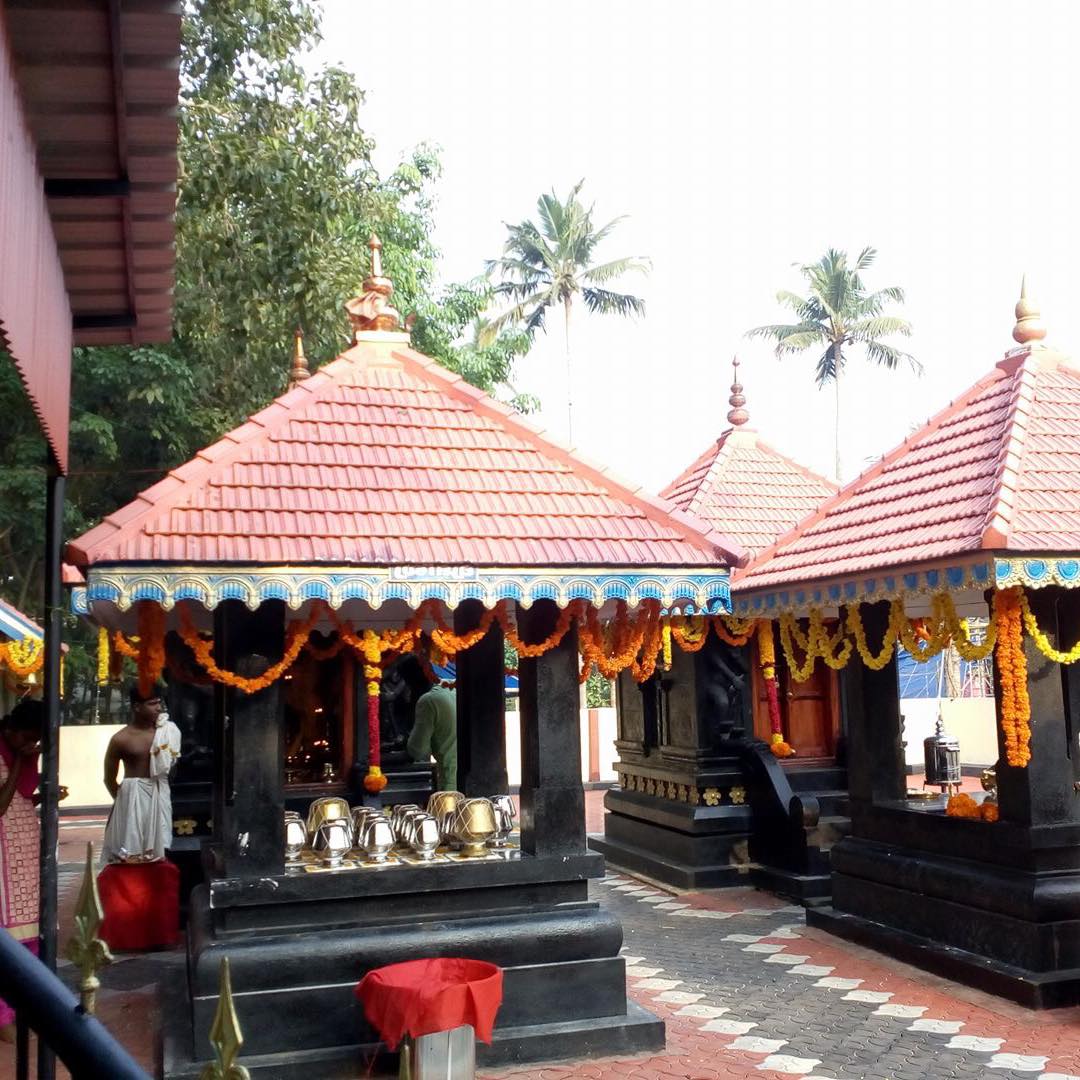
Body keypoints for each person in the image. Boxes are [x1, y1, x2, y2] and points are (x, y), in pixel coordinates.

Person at [0, 700, 44, 1041]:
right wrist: (18, 759)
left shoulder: (25, 751)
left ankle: (28, 1005)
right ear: (11, 731)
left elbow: (24, 795)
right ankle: (4, 1016)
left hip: (24, 845)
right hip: (3, 850)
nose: (30, 743)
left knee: (30, 926)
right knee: (7, 927)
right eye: (26, 737)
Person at [101, 684, 181, 865]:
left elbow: (172, 768)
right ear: (137, 707)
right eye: (152, 704)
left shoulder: (167, 732)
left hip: (159, 791)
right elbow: (109, 778)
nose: (159, 708)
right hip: (132, 796)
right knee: (131, 854)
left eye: (159, 703)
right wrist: (125, 801)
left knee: (158, 854)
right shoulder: (120, 739)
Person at [398, 656, 458, 792]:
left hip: (451, 782)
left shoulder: (428, 701)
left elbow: (417, 751)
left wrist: (407, 740)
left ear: (410, 683)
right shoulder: (453, 688)